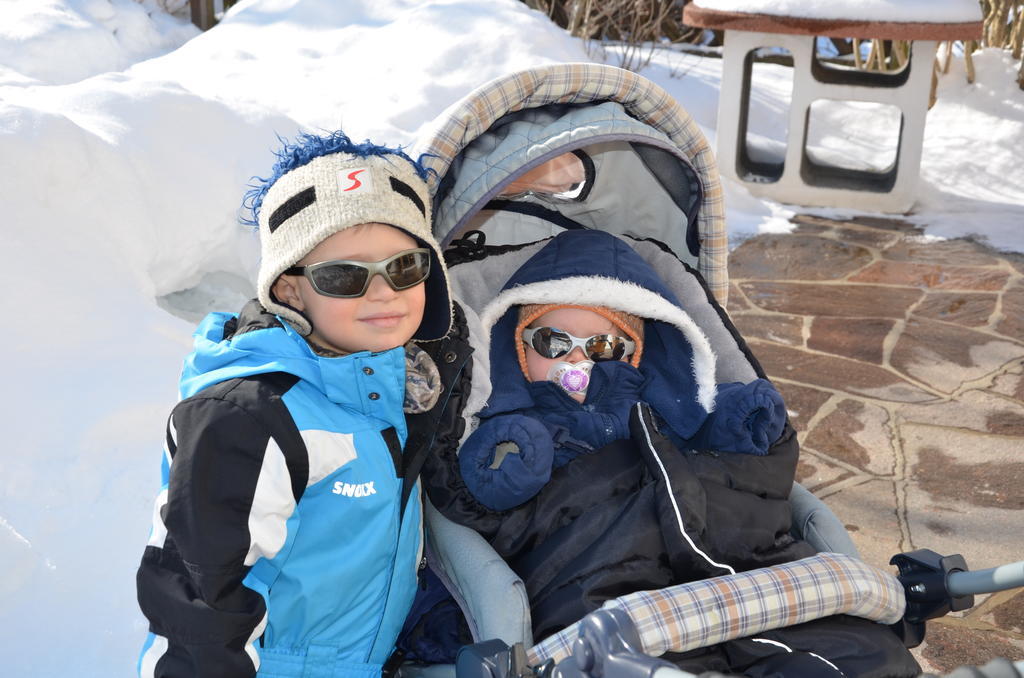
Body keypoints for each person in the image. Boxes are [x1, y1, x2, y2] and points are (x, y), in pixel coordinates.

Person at [418, 229, 920, 677]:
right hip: (607, 586)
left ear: (634, 353)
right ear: (518, 349)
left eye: (602, 347)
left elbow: (750, 478)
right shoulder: (515, 426)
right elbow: (476, 503)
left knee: (857, 653)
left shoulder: (675, 413)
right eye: (552, 340)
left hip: (743, 573)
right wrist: (508, 460)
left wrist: (743, 424)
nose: (576, 359)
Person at [135, 131, 466, 678]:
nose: (383, 292)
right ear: (290, 291)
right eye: (345, 277)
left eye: (405, 267)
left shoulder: (392, 394)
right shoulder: (249, 417)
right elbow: (196, 606)